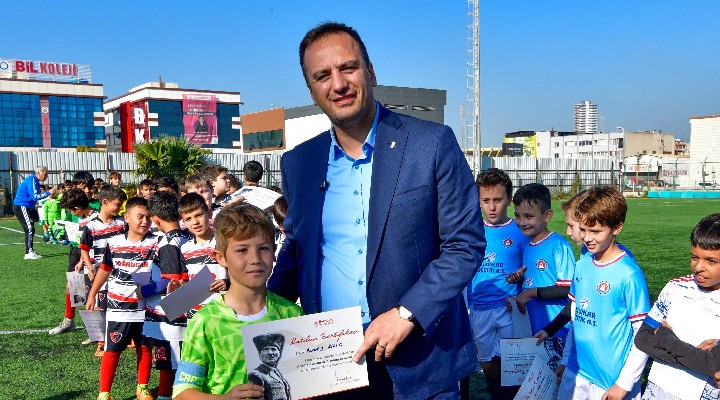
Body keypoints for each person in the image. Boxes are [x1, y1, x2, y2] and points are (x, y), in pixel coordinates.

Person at [267, 22, 485, 399]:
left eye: (348, 68)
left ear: (371, 72)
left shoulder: (431, 143)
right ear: (312, 91)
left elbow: (464, 244)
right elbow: (298, 249)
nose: (338, 84)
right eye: (323, 76)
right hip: (331, 362)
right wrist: (256, 306)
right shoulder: (298, 163)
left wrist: (407, 313)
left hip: (422, 361)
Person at [173, 203, 303, 398]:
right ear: (221, 257)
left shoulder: (292, 313)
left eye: (263, 248)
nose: (255, 259)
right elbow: (182, 392)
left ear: (274, 251)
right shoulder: (205, 322)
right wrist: (224, 398)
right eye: (242, 250)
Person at [538, 186, 650, 400]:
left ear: (617, 227)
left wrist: (624, 384)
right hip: (576, 370)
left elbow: (642, 334)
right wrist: (566, 360)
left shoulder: (629, 274)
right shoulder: (582, 264)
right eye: (583, 229)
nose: (587, 237)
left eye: (596, 231)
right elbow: (576, 317)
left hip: (610, 381)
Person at [635, 213, 720, 399]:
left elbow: (713, 363)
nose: (698, 267)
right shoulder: (676, 287)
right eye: (694, 257)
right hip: (656, 390)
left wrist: (664, 337)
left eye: (711, 261)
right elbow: (642, 339)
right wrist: (694, 357)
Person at [86, 197, 159, 400]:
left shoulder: (156, 242)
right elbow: (104, 270)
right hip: (118, 308)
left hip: (145, 307)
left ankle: (142, 388)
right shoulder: (114, 243)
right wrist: (92, 293)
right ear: (126, 217)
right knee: (112, 350)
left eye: (148, 217)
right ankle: (104, 393)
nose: (145, 221)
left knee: (145, 348)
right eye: (140, 217)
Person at [466, 168, 528, 400]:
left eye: (498, 200)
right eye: (486, 200)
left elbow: (531, 268)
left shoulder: (521, 232)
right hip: (479, 309)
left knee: (513, 365)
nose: (492, 207)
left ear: (509, 199)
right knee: (488, 365)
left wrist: (522, 276)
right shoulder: (472, 231)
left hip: (509, 308)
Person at [508, 183, 575, 366]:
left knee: (554, 379)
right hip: (532, 328)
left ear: (547, 216)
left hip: (556, 329)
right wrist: (519, 285)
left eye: (529, 216)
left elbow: (570, 288)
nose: (522, 222)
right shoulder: (526, 245)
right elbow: (535, 279)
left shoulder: (558, 245)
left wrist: (531, 293)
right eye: (517, 216)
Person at [138, 191, 192, 400]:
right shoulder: (186, 237)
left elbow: (170, 281)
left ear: (155, 218)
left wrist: (145, 290)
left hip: (171, 315)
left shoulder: (169, 242)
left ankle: (165, 395)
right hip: (183, 308)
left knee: (169, 364)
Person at [49, 188, 97, 336]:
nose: (70, 213)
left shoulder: (96, 219)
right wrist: (82, 260)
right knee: (73, 285)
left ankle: (99, 333)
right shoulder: (83, 217)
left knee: (93, 295)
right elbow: (86, 244)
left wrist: (89, 264)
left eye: (70, 210)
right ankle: (69, 321)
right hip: (85, 258)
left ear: (77, 208)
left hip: (97, 263)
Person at [179, 193, 229, 317]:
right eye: (188, 219)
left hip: (222, 313)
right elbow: (186, 283)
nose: (195, 222)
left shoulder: (223, 242)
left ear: (209, 213)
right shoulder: (185, 248)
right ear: (183, 222)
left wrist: (227, 283)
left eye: (199, 215)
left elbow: (241, 274)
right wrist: (179, 287)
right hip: (195, 316)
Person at [13, 166, 55, 259]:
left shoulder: (34, 181)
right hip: (22, 205)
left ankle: (30, 250)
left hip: (26, 206)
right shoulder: (32, 180)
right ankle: (28, 252)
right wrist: (49, 193)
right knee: (29, 228)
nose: (46, 176)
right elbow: (35, 196)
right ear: (39, 173)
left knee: (31, 228)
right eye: (45, 174)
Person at [248, 333, 291, 400]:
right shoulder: (256, 375)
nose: (270, 353)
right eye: (265, 349)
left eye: (273, 349)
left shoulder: (276, 373)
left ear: (279, 353)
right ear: (259, 354)